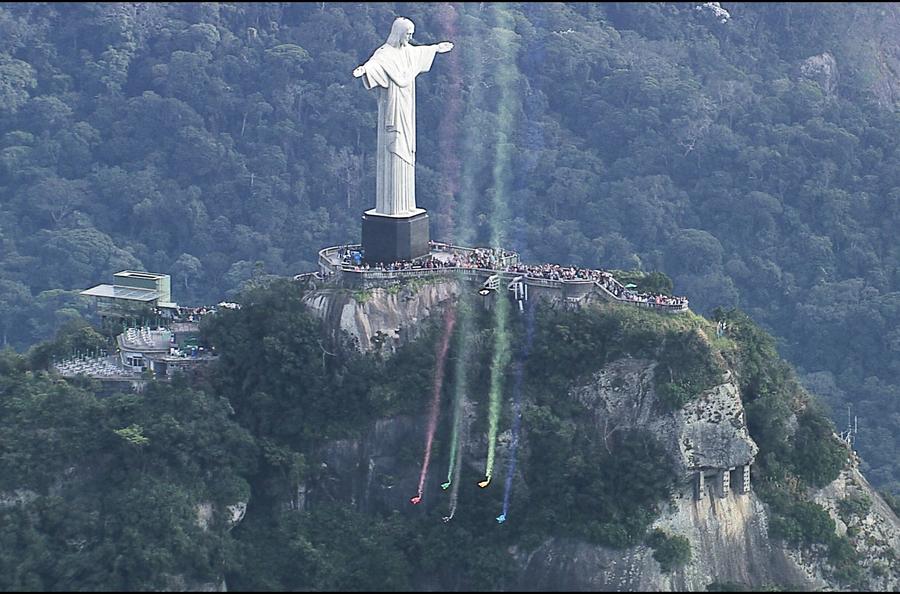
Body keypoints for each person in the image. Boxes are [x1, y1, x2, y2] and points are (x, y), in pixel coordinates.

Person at [353, 17, 453, 215]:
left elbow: (421, 52)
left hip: (407, 106)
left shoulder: (409, 52)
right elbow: (374, 65)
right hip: (393, 107)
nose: (410, 37)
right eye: (407, 34)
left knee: (407, 150)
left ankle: (406, 205)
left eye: (411, 34)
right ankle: (390, 208)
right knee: (394, 148)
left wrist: (436, 48)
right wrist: (364, 70)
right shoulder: (385, 54)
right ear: (398, 33)